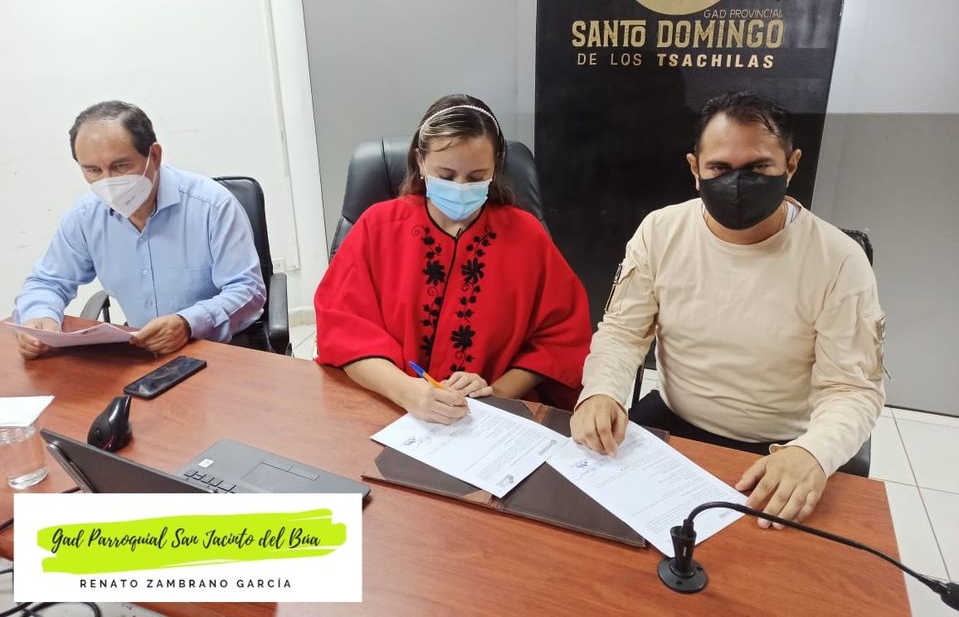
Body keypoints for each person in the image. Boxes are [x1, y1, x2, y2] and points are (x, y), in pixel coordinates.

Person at [570, 91, 885, 527]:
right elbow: (623, 332)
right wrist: (601, 392)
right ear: (695, 168)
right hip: (674, 421)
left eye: (758, 168)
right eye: (719, 168)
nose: (737, 183)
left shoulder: (838, 259)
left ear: (791, 165)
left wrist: (814, 452)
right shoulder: (660, 231)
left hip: (783, 446)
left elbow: (853, 388)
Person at [314, 94, 592, 423]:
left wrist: (496, 392)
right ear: (420, 161)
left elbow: (560, 338)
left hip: (489, 419)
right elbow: (342, 328)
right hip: (389, 407)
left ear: (495, 168)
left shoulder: (527, 237)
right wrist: (407, 391)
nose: (460, 187)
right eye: (446, 176)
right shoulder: (378, 227)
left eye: (476, 177)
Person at [15, 100, 266, 359]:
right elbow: (48, 282)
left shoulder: (212, 206)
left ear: (154, 156)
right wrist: (40, 317)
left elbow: (247, 290)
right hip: (143, 349)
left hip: (221, 348)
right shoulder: (85, 217)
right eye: (93, 170)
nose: (107, 182)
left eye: (120, 166)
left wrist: (188, 323)